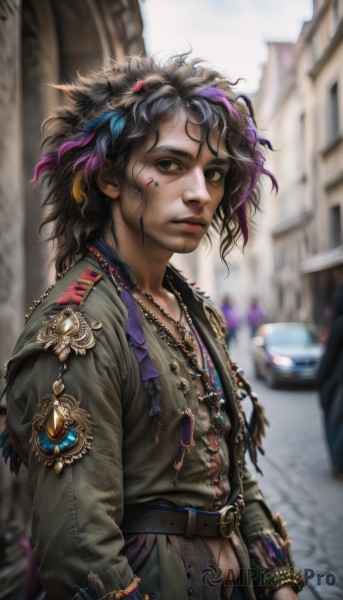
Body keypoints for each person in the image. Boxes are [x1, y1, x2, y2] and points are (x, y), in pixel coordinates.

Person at [0, 54, 304, 600]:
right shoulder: (77, 331)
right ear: (111, 177)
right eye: (169, 165)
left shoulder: (191, 306)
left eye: (213, 174)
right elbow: (78, 547)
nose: (200, 193)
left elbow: (235, 470)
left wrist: (277, 581)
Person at [317, 285, 343, 478]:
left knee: (335, 425)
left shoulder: (339, 325)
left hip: (338, 383)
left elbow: (329, 359)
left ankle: (339, 466)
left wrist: (321, 382)